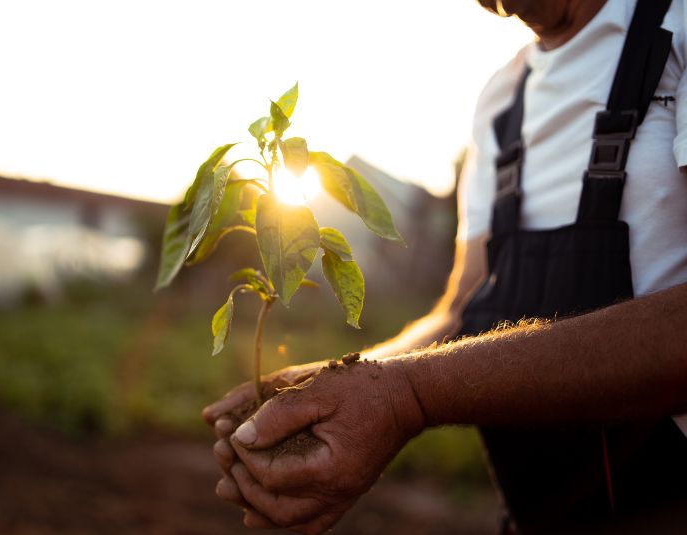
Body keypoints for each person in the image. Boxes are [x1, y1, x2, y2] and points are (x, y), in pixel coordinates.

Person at [203, 0, 687, 532]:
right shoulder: (505, 98)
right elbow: (461, 307)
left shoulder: (676, 29)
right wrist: (334, 380)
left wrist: (408, 394)